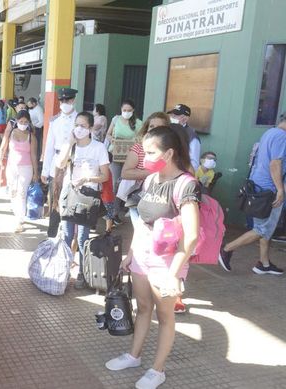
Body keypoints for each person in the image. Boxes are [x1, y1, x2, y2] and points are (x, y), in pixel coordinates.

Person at [106, 125, 201, 389]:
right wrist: (131, 252)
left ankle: (157, 370)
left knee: (165, 315)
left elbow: (191, 236)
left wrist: (174, 275)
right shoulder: (150, 180)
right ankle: (133, 356)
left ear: (169, 153)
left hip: (168, 261)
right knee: (143, 307)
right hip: (143, 253)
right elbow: (142, 222)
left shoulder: (186, 185)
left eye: (150, 152)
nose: (144, 157)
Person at [220, 115, 286, 275]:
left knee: (264, 228)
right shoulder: (282, 136)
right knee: (262, 230)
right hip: (268, 190)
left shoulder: (270, 133)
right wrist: (280, 189)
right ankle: (226, 249)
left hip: (259, 187)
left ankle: (263, 263)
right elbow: (275, 164)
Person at [57, 111, 110, 289]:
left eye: (83, 126)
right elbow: (60, 164)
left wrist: (87, 179)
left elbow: (105, 176)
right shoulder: (70, 145)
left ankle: (82, 272)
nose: (79, 129)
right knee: (66, 234)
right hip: (69, 194)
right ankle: (63, 271)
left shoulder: (98, 147)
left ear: (90, 128)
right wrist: (70, 143)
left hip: (87, 196)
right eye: (76, 125)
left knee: (82, 237)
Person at [41, 88, 79, 235]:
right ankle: (52, 236)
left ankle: (69, 237)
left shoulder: (79, 120)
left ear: (73, 100)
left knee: (72, 201)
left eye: (67, 100)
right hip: (56, 165)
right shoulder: (54, 121)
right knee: (55, 202)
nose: (64, 103)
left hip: (74, 164)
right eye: (62, 101)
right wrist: (45, 170)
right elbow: (49, 146)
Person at [121, 112, 170, 224]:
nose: (154, 129)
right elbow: (125, 173)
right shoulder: (138, 148)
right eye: (151, 126)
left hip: (162, 200)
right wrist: (153, 172)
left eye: (159, 127)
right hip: (140, 199)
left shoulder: (171, 151)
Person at [0, 110, 39, 232]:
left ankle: (19, 220)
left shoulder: (32, 137)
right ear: (16, 121)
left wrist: (36, 172)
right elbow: (3, 147)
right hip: (11, 167)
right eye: (21, 121)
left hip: (26, 168)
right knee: (12, 192)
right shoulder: (10, 133)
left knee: (22, 193)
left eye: (26, 122)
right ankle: (17, 213)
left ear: (29, 123)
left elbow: (34, 156)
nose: (23, 124)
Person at [105, 99, 143, 191]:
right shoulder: (116, 119)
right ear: (121, 109)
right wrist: (112, 140)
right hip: (115, 154)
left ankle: (123, 203)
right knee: (114, 182)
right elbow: (108, 134)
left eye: (129, 110)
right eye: (124, 110)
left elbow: (141, 139)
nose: (126, 112)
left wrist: (132, 141)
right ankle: (114, 204)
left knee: (127, 183)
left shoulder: (138, 123)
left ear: (133, 110)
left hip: (130, 157)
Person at [168, 104, 201, 170]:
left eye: (175, 115)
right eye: (171, 115)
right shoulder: (167, 130)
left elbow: (194, 164)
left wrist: (180, 175)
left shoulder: (192, 137)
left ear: (185, 119)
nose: (171, 117)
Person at [27, 97, 44, 166]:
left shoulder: (39, 110)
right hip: (31, 127)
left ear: (34, 103)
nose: (29, 106)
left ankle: (37, 160)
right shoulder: (31, 109)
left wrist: (34, 126)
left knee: (36, 144)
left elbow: (42, 122)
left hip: (37, 129)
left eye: (30, 105)